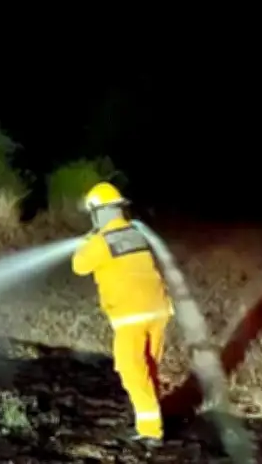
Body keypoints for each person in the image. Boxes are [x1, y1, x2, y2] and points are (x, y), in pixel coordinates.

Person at [71, 182, 173, 447]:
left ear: (98, 213)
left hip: (131, 316)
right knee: (150, 366)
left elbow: (79, 266)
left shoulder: (101, 242)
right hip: (159, 309)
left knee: (132, 370)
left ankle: (151, 431)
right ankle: (154, 417)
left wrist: (88, 241)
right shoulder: (137, 233)